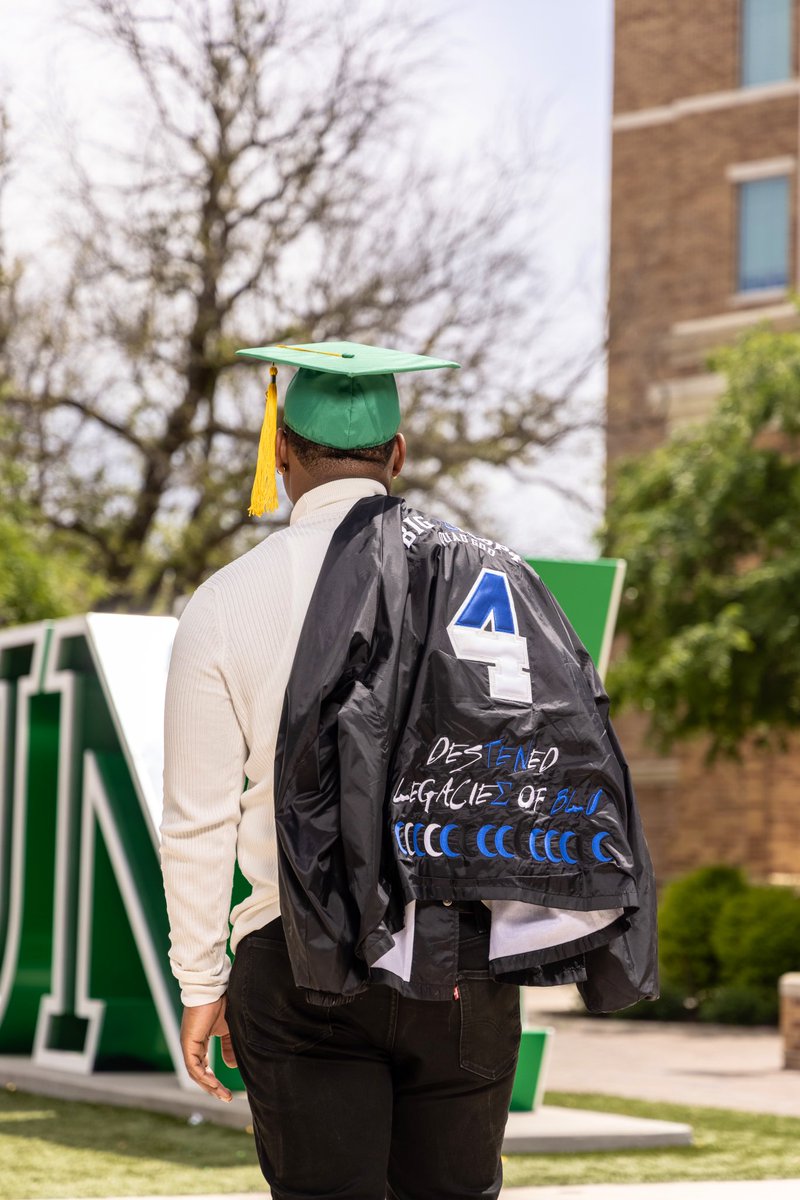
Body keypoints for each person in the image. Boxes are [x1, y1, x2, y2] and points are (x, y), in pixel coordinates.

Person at [160, 340, 657, 1200]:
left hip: (298, 959)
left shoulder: (226, 599)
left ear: (281, 452)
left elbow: (197, 818)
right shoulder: (491, 581)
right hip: (462, 959)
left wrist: (203, 981)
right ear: (398, 453)